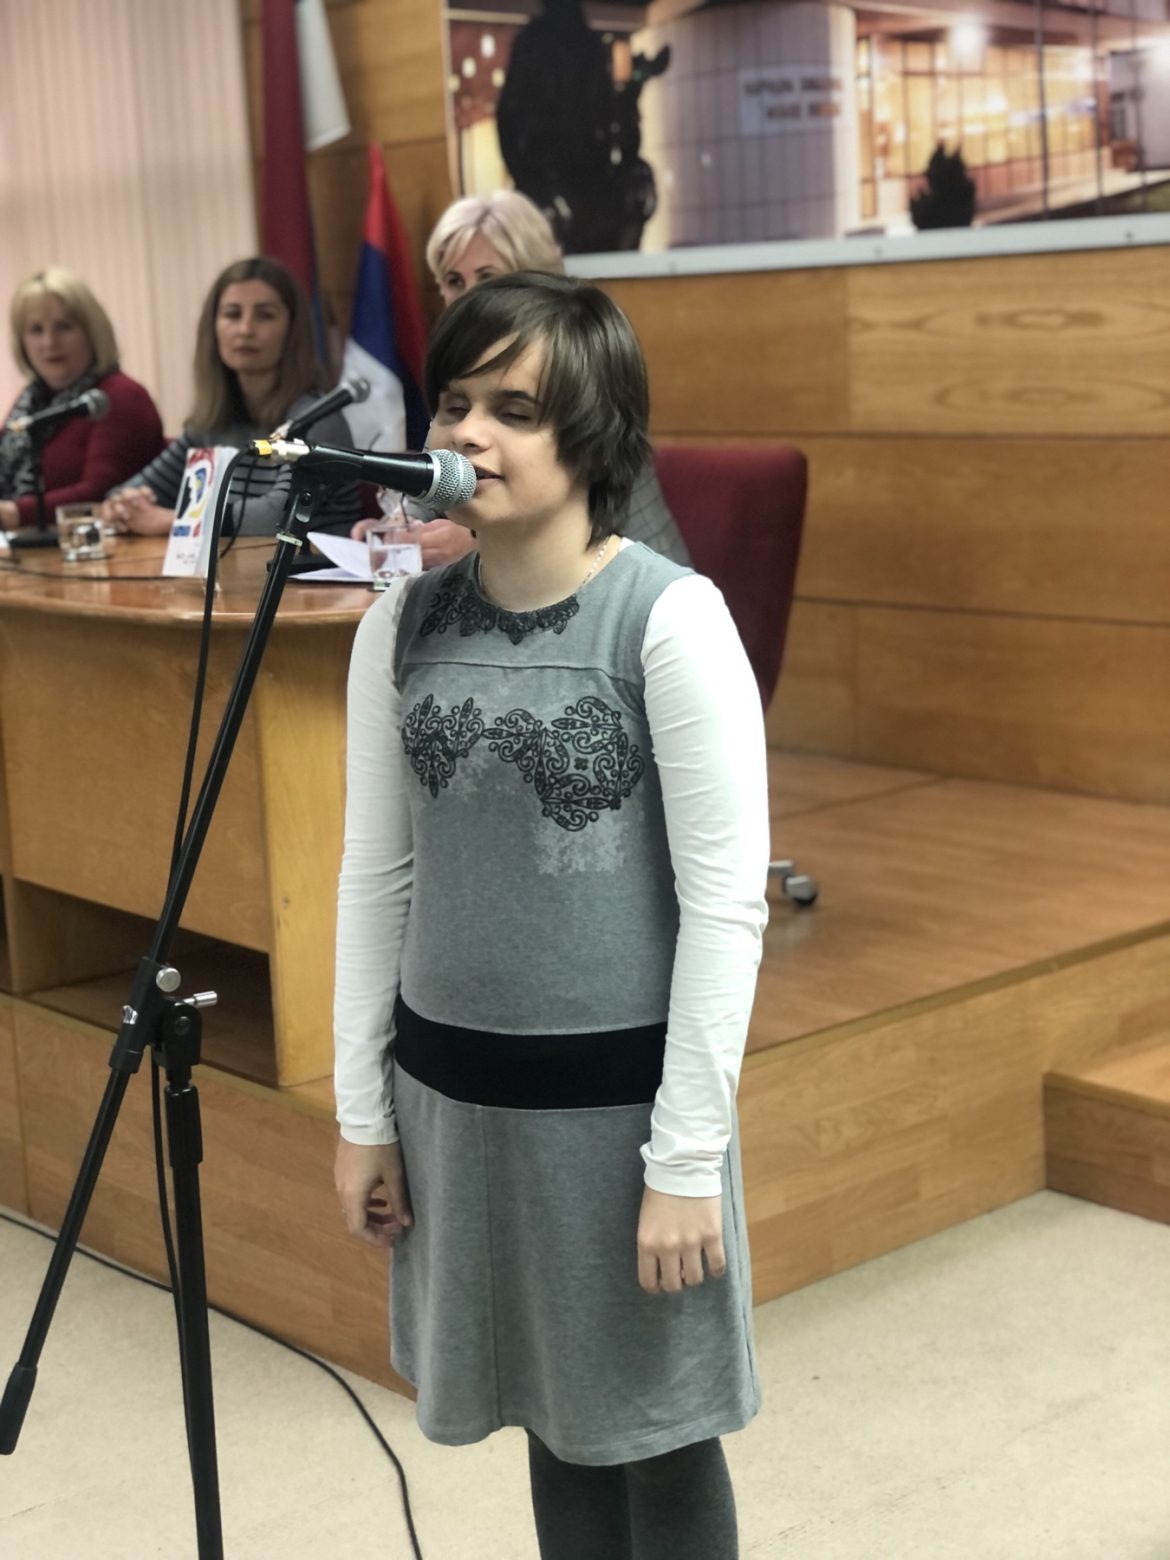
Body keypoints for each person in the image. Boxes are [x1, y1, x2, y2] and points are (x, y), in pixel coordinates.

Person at [333, 271, 768, 1560]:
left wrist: (684, 1161)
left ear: (592, 433)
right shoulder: (399, 626)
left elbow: (725, 909)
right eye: (455, 403)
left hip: (619, 1118)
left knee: (656, 1433)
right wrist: (365, 1116)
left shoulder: (669, 618)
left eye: (514, 410)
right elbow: (375, 877)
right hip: (456, 1107)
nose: (468, 434)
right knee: (549, 1421)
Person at [359, 191, 690, 570]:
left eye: (488, 277)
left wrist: (480, 547)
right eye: (454, 280)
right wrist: (398, 528)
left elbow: (639, 564)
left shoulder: (586, 383)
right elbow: (426, 499)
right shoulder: (457, 390)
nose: (470, 296)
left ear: (538, 277)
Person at [100, 257, 358, 537]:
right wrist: (122, 506)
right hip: (241, 564)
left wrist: (172, 521)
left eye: (265, 315)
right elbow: (127, 491)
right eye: (232, 315)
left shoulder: (316, 418)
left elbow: (276, 516)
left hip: (311, 565)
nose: (245, 329)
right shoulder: (211, 425)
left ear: (292, 331)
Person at [0, 267, 163, 531]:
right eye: (36, 330)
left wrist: (13, 514)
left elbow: (101, 493)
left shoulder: (120, 396)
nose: (49, 342)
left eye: (64, 327)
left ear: (92, 331)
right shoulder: (31, 400)